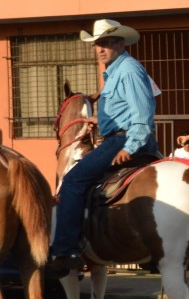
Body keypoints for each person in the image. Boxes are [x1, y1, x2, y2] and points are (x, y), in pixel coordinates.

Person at [47, 18, 159, 277]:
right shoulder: (116, 71)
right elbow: (126, 109)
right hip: (121, 135)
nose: (101, 48)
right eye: (98, 44)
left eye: (107, 43)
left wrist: (129, 146)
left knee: (73, 181)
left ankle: (67, 251)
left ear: (121, 43)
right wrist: (102, 119)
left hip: (125, 140)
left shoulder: (128, 70)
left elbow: (143, 114)